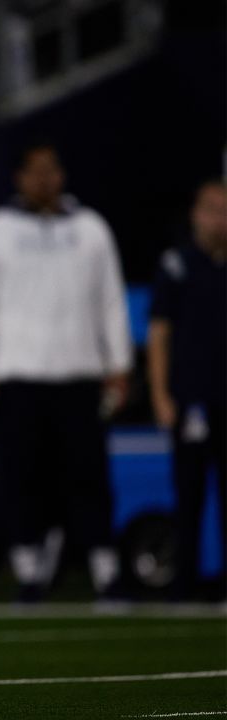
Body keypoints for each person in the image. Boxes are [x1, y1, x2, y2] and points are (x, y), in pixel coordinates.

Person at [0, 142, 131, 602]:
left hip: (78, 372)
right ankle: (30, 568)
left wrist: (118, 362)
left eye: (51, 170)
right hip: (18, 374)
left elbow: (110, 299)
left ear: (62, 175)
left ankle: (103, 568)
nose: (43, 180)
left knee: (88, 475)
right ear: (18, 178)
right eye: (34, 171)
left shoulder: (91, 229)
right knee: (21, 477)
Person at [148, 180, 226, 601]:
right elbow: (159, 334)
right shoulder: (177, 264)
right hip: (192, 400)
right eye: (213, 209)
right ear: (196, 213)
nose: (220, 219)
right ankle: (185, 584)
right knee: (190, 495)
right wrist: (162, 395)